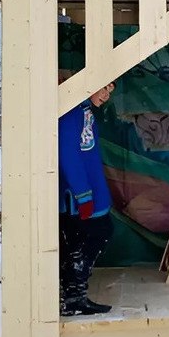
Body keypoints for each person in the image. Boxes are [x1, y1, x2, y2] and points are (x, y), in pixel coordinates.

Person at [58, 78, 116, 316]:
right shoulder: (71, 112)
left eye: (111, 90)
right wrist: (83, 195)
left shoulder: (83, 110)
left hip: (86, 191)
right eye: (104, 87)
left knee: (82, 241)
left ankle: (74, 296)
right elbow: (69, 155)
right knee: (88, 238)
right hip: (77, 195)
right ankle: (73, 296)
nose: (107, 95)